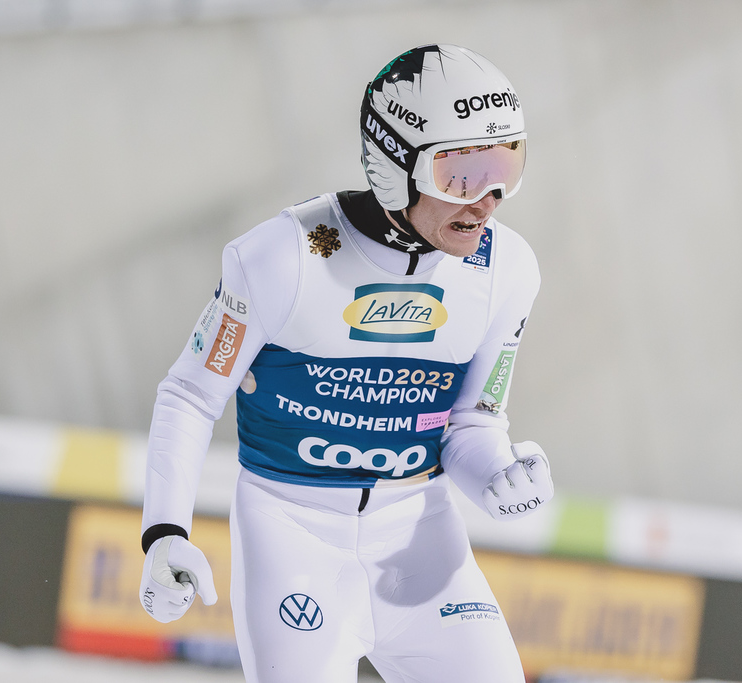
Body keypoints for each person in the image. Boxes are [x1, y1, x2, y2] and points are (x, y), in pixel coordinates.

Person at [138, 43, 553, 683]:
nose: (488, 201)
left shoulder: (507, 269)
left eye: (506, 168)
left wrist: (498, 476)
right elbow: (191, 395)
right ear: (395, 164)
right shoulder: (282, 257)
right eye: (462, 176)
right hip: (290, 535)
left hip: (420, 537)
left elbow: (472, 422)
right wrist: (164, 531)